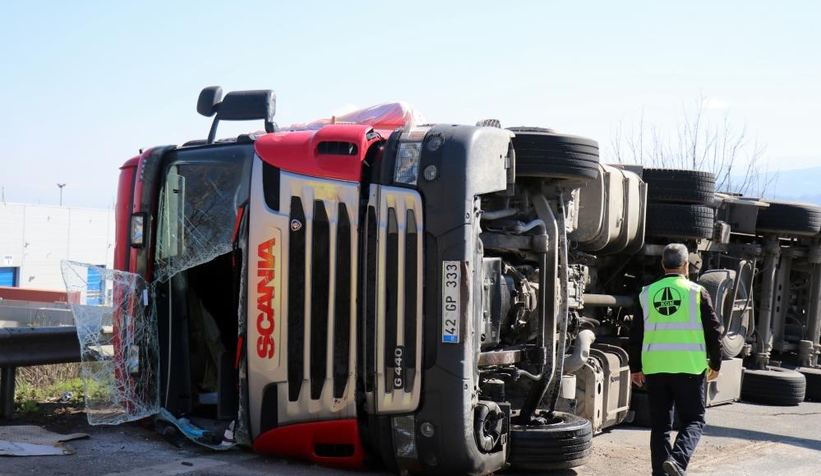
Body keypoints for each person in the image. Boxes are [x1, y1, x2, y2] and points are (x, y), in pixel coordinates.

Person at [629, 243, 724, 476]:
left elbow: (636, 334)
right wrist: (716, 363)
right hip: (689, 367)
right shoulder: (697, 292)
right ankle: (678, 461)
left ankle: (660, 473)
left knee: (660, 426)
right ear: (686, 265)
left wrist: (635, 368)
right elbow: (714, 331)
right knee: (693, 421)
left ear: (663, 265)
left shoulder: (646, 294)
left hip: (655, 368)